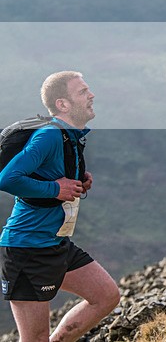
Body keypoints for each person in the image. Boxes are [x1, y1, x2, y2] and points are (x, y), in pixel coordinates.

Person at [0, 72, 119, 342]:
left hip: (56, 242)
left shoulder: (70, 137)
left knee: (106, 296)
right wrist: (56, 189)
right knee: (34, 338)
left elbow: (50, 174)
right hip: (27, 248)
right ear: (63, 104)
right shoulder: (49, 136)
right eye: (83, 92)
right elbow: (6, 179)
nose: (91, 95)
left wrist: (78, 181)